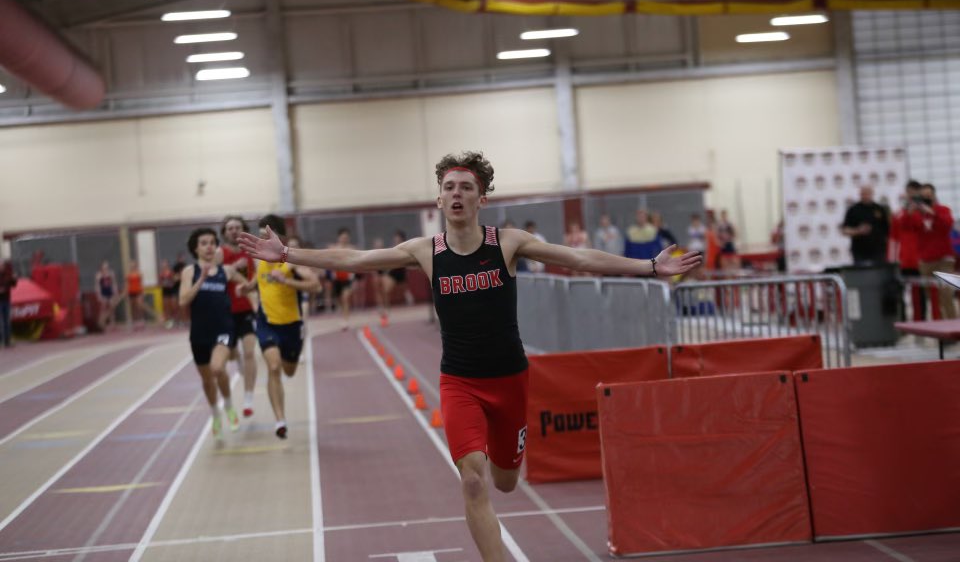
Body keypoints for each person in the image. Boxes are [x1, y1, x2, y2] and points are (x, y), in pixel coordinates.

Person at [237, 151, 701, 562]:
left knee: (504, 480)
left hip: (510, 381)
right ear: (438, 201)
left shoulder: (508, 243)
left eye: (466, 188)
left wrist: (648, 267)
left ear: (482, 199)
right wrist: (287, 254)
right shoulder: (425, 251)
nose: (456, 194)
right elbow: (355, 260)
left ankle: (506, 464)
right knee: (474, 481)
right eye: (448, 188)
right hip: (459, 382)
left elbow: (577, 259)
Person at [243, 215, 319, 439]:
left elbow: (314, 285)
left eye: (264, 234)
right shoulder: (257, 260)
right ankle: (280, 420)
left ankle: (280, 416)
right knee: (273, 367)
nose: (260, 238)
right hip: (267, 323)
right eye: (258, 234)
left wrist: (287, 281)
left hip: (292, 325)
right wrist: (246, 289)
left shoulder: (291, 261)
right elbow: (258, 281)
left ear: (278, 235)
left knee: (288, 370)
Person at [179, 228, 249, 438]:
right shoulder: (189, 272)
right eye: (204, 243)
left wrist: (244, 289)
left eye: (212, 242)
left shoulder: (225, 271)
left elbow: (247, 284)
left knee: (217, 368)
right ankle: (216, 413)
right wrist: (200, 281)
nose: (209, 246)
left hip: (224, 329)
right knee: (208, 380)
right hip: (200, 333)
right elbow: (183, 301)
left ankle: (228, 406)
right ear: (196, 248)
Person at [220, 216, 260, 418]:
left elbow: (258, 275)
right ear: (224, 232)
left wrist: (253, 293)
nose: (234, 231)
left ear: (243, 229)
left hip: (247, 310)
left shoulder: (251, 252)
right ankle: (239, 363)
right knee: (232, 356)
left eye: (237, 227)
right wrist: (234, 268)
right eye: (230, 228)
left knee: (250, 353)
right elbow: (215, 274)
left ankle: (248, 398)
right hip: (226, 313)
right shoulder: (220, 254)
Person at [904, 183, 956, 319]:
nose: (927, 199)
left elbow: (947, 225)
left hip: (944, 259)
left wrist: (932, 212)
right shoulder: (916, 214)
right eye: (924, 197)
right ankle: (940, 331)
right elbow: (907, 229)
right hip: (926, 261)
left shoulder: (943, 210)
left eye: (929, 196)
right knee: (932, 297)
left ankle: (953, 328)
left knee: (946, 294)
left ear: (934, 196)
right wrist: (910, 213)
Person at [890, 181, 925, 320]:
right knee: (900, 292)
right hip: (903, 259)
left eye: (914, 192)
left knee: (920, 292)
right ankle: (903, 322)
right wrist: (892, 260)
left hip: (920, 258)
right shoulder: (899, 213)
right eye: (909, 192)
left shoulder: (925, 212)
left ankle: (920, 320)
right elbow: (893, 237)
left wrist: (916, 212)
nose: (911, 195)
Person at [841, 185, 890, 265]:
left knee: (879, 274)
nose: (866, 196)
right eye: (863, 193)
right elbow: (844, 230)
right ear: (860, 194)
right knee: (862, 274)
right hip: (860, 251)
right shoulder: (853, 210)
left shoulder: (880, 209)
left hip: (878, 250)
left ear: (872, 193)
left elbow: (887, 230)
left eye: (868, 193)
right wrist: (858, 231)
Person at [379, 230, 414, 327]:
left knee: (404, 290)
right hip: (393, 272)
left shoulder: (407, 247)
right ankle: (386, 308)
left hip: (402, 272)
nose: (396, 240)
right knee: (386, 290)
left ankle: (408, 295)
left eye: (398, 238)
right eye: (395, 238)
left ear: (402, 239)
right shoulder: (393, 248)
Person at [330, 228, 356, 330]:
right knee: (340, 300)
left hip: (348, 278)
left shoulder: (352, 249)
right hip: (337, 278)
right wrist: (332, 272)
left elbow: (356, 263)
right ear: (339, 238)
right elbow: (330, 262)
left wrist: (352, 275)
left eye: (346, 238)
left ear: (348, 238)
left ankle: (346, 320)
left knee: (345, 298)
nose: (344, 239)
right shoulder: (334, 249)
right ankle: (343, 315)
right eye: (342, 237)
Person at [95, 261, 120, 331]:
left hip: (110, 292)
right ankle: (102, 323)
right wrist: (99, 295)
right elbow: (97, 286)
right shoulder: (99, 275)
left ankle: (113, 323)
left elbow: (114, 283)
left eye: (107, 267)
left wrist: (116, 292)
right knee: (104, 307)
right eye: (104, 268)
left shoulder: (111, 274)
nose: (106, 269)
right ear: (101, 268)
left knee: (112, 307)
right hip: (103, 293)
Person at [0, 259, 18, 348]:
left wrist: (15, 279)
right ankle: (2, 340)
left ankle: (7, 340)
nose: (2, 267)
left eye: (2, 265)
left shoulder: (7, 275)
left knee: (7, 321)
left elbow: (13, 285)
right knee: (1, 322)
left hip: (6, 300)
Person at [159, 259, 179, 329]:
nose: (163, 265)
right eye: (162, 264)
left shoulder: (171, 272)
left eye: (165, 264)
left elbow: (174, 280)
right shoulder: (161, 274)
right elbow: (160, 283)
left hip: (171, 290)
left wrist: (171, 283)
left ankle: (175, 320)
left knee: (173, 306)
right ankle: (168, 321)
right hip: (165, 291)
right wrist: (162, 284)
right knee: (166, 307)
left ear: (167, 264)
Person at [126, 260, 145, 328]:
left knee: (139, 306)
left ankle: (141, 320)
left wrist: (142, 292)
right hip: (131, 291)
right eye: (131, 266)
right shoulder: (128, 274)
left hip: (138, 291)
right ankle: (134, 321)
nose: (132, 267)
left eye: (133, 265)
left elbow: (141, 283)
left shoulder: (139, 273)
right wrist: (126, 293)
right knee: (132, 307)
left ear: (136, 266)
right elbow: (127, 284)